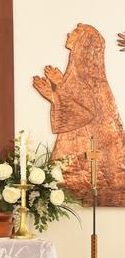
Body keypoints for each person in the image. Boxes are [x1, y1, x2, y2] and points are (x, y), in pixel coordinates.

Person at [33, 23, 125, 204]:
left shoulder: (89, 75)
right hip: (79, 142)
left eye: (76, 31)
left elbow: (87, 112)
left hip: (87, 148)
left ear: (84, 42)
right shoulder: (79, 71)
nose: (69, 33)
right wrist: (60, 86)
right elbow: (81, 102)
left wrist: (53, 95)